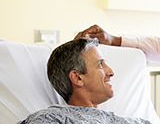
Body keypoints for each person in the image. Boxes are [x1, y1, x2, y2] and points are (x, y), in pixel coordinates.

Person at [18, 38, 152, 124]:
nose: (111, 72)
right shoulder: (49, 119)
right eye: (100, 65)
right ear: (77, 78)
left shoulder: (131, 122)